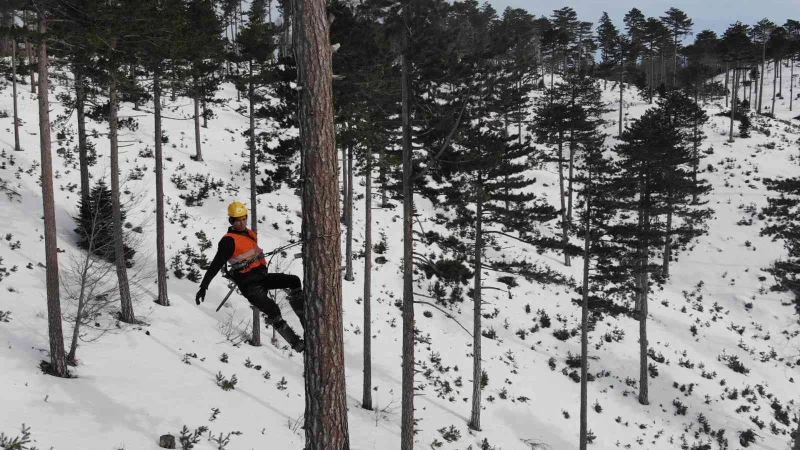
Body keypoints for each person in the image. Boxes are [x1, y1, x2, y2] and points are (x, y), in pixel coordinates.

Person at [195, 201, 305, 352]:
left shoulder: (249, 235)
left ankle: (306, 321)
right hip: (250, 286)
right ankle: (297, 344)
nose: (241, 222)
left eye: (243, 219)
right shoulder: (228, 241)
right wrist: (203, 286)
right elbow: (215, 264)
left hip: (262, 277)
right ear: (231, 221)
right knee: (273, 310)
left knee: (294, 281)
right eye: (237, 220)